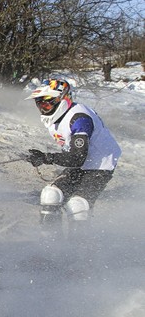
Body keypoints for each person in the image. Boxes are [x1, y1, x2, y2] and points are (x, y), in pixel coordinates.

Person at [25, 78, 121, 227]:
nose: (43, 108)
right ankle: (49, 241)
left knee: (78, 206)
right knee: (50, 195)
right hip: (80, 162)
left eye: (47, 103)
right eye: (40, 104)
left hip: (100, 164)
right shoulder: (56, 118)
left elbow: (78, 158)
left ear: (62, 99)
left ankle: (76, 247)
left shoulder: (79, 119)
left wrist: (46, 158)